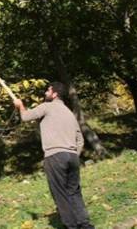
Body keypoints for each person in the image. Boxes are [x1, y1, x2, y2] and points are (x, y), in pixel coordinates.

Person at [14, 82, 95, 229]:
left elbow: (26, 117)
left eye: (48, 90)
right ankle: (85, 225)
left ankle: (71, 226)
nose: (45, 92)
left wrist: (19, 105)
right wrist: (73, 154)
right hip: (72, 157)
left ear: (55, 94)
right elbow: (80, 140)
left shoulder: (47, 106)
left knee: (60, 193)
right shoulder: (69, 113)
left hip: (55, 156)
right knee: (74, 192)